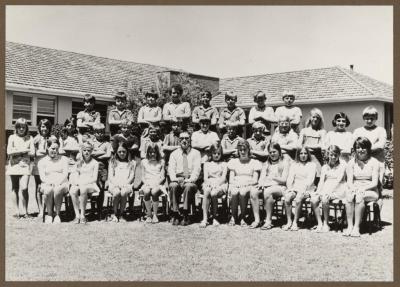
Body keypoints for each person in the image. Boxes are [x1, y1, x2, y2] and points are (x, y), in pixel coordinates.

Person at [345, 137, 380, 237]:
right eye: (358, 147)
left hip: (370, 190)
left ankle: (357, 227)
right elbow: (349, 181)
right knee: (349, 196)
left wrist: (362, 189)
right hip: (355, 188)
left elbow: (374, 183)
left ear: (368, 148)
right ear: (355, 149)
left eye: (363, 147)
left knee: (360, 196)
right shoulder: (351, 162)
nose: (360, 150)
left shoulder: (374, 162)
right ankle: (349, 226)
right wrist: (353, 189)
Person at [310, 145, 348, 232]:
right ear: (328, 155)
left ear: (339, 155)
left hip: (339, 188)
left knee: (324, 199)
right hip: (326, 188)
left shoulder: (343, 165)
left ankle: (326, 224)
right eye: (331, 155)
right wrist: (318, 192)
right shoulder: (324, 167)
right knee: (313, 199)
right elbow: (321, 182)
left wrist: (328, 192)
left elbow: (339, 180)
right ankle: (319, 223)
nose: (333, 157)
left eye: (336, 155)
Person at [168, 131, 202, 226]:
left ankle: (185, 214)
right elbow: (171, 169)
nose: (184, 140)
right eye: (182, 138)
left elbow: (197, 170)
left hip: (190, 180)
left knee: (188, 186)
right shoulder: (174, 154)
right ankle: (175, 213)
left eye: (186, 138)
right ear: (179, 140)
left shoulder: (196, 153)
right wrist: (175, 179)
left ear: (190, 140)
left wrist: (189, 180)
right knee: (173, 186)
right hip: (177, 179)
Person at [227, 139, 262, 227]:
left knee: (243, 192)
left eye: (244, 149)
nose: (242, 152)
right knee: (234, 192)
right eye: (240, 150)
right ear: (238, 151)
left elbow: (255, 180)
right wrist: (237, 184)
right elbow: (231, 179)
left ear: (248, 150)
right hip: (236, 183)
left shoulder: (254, 162)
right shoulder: (233, 162)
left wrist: (245, 184)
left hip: (249, 184)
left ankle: (242, 216)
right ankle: (234, 216)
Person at [256, 143, 290, 230]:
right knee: (253, 191)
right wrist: (261, 184)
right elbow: (262, 178)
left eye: (274, 152)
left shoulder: (284, 163)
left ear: (279, 152)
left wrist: (273, 178)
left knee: (268, 191)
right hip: (267, 186)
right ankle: (257, 219)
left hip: (280, 187)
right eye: (270, 152)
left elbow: (283, 180)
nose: (272, 154)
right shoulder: (266, 164)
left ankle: (268, 221)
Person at [6, 118, 35, 219]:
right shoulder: (12, 137)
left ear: (26, 128)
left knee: (24, 188)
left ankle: (26, 212)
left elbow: (32, 153)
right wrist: (24, 150)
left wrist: (17, 151)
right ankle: (17, 212)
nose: (21, 129)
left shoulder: (30, 138)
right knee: (15, 188)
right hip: (14, 165)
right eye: (19, 127)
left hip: (25, 165)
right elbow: (9, 152)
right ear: (16, 128)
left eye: (23, 127)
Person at [283, 146, 317, 231]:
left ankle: (295, 222)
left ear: (308, 155)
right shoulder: (294, 165)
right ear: (298, 155)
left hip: (307, 188)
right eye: (301, 153)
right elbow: (290, 178)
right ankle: (289, 221)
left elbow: (310, 180)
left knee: (298, 199)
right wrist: (290, 188)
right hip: (295, 187)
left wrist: (302, 190)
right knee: (287, 198)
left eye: (305, 153)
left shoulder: (312, 165)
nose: (303, 155)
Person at [37, 137, 69, 224]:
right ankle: (50, 214)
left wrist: (58, 182)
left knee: (57, 189)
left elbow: (65, 174)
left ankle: (58, 214)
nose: (55, 151)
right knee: (48, 189)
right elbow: (42, 177)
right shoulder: (41, 162)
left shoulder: (64, 159)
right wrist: (49, 182)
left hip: (62, 182)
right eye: (53, 148)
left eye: (57, 149)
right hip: (47, 183)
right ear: (47, 147)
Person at [69, 141, 99, 224]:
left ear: (91, 151)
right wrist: (76, 182)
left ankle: (83, 215)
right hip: (79, 182)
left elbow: (94, 178)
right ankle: (77, 215)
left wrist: (83, 183)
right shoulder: (79, 162)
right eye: (85, 150)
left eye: (89, 150)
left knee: (83, 189)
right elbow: (75, 174)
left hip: (90, 184)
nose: (87, 152)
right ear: (82, 151)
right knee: (72, 190)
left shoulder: (95, 163)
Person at [199, 143, 228, 227]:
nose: (216, 155)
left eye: (218, 153)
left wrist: (216, 185)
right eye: (214, 153)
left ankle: (215, 217)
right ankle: (205, 218)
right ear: (211, 153)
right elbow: (205, 177)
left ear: (221, 154)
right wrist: (209, 184)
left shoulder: (224, 164)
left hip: (220, 184)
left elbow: (223, 178)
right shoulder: (207, 164)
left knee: (214, 193)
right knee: (207, 190)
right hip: (209, 183)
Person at [108, 140, 136, 223]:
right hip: (114, 184)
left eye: (124, 151)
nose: (122, 153)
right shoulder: (112, 162)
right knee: (116, 193)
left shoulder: (132, 162)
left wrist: (125, 184)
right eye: (119, 152)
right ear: (116, 152)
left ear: (127, 151)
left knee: (123, 192)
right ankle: (115, 213)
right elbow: (110, 176)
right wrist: (116, 184)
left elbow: (132, 176)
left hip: (126, 184)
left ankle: (121, 213)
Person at [298, 108, 326, 182]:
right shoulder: (304, 131)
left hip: (317, 158)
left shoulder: (322, 132)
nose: (315, 119)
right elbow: (298, 145)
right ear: (310, 118)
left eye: (318, 118)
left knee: (317, 178)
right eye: (314, 117)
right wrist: (313, 147)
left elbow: (322, 146)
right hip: (305, 157)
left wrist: (306, 146)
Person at [32, 119, 52, 220]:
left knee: (49, 186)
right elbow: (35, 153)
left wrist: (44, 152)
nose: (44, 129)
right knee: (39, 187)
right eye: (43, 126)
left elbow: (54, 152)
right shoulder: (36, 139)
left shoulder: (52, 138)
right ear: (39, 127)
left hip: (50, 166)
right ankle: (40, 210)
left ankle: (49, 209)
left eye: (47, 127)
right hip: (38, 165)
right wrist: (46, 152)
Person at [141, 143, 166, 224]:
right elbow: (142, 176)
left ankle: (155, 214)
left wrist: (156, 183)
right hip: (147, 182)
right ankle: (149, 214)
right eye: (150, 152)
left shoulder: (161, 161)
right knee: (147, 191)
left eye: (154, 152)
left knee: (154, 192)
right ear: (147, 152)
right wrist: (146, 183)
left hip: (157, 183)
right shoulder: (144, 162)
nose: (152, 154)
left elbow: (162, 177)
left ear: (157, 153)